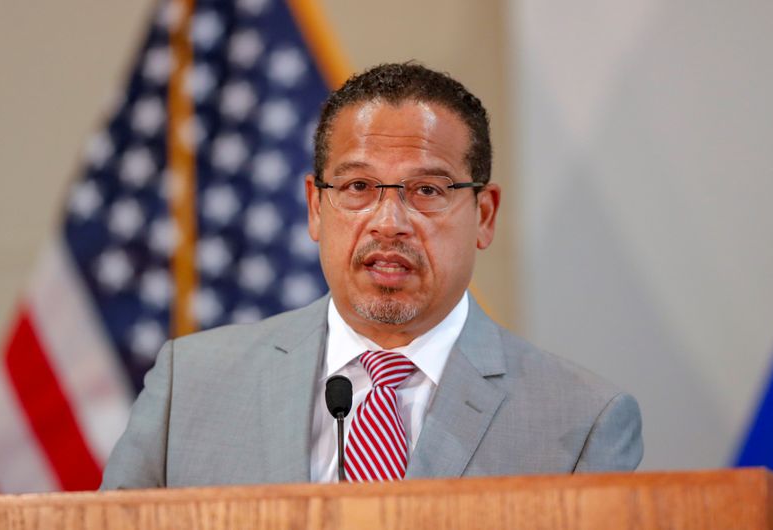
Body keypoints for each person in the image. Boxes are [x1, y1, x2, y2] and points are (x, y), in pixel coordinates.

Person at [101, 62, 642, 489]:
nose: (389, 223)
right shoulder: (190, 384)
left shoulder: (582, 421)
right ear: (315, 207)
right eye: (358, 187)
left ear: (484, 215)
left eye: (427, 190)